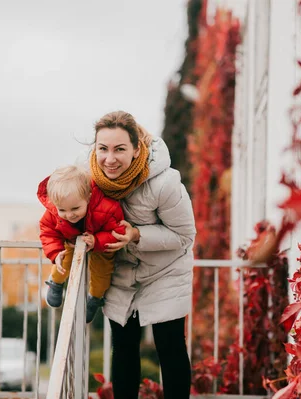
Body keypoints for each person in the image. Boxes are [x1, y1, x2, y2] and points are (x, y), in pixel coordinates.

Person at [90, 111, 196, 398]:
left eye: (120, 149)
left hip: (166, 270)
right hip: (122, 272)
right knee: (123, 344)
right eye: (103, 149)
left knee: (169, 344)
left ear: (137, 149)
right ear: (95, 148)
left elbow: (185, 235)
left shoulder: (165, 183)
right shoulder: (88, 178)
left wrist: (137, 235)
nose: (109, 159)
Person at [38, 165, 125, 323]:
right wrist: (54, 253)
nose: (69, 215)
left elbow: (118, 232)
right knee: (62, 260)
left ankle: (95, 298)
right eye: (62, 210)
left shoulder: (106, 207)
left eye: (75, 208)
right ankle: (56, 283)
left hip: (99, 243)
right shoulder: (52, 212)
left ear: (89, 197)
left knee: (102, 273)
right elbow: (47, 232)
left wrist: (97, 241)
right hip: (70, 240)